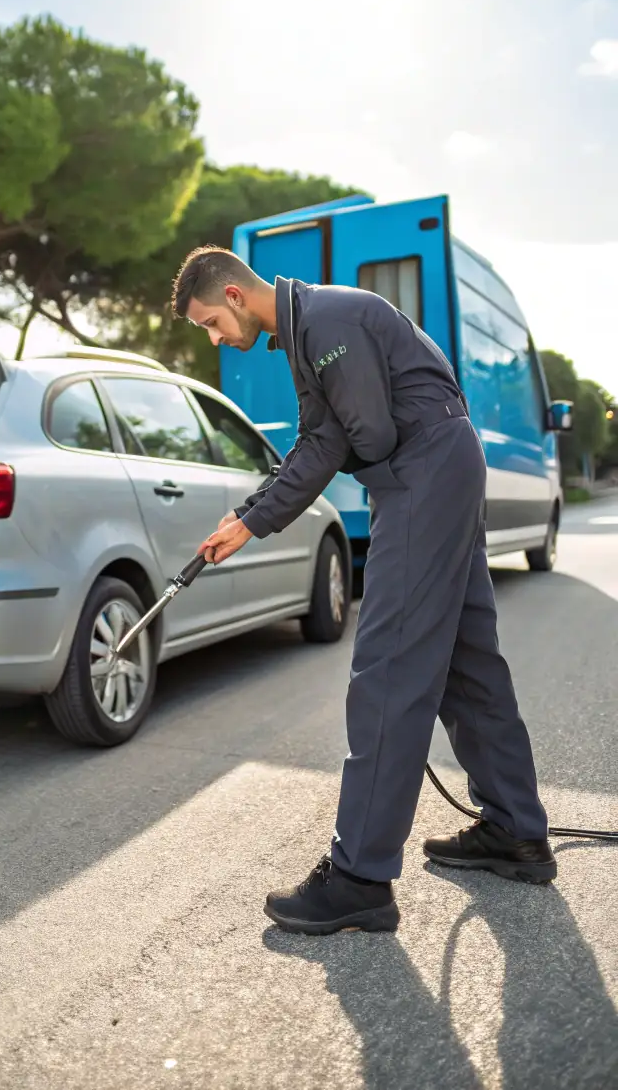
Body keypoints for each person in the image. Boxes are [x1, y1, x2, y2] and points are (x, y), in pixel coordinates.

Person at [172, 245, 555, 936]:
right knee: (466, 663)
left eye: (207, 323)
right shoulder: (309, 329)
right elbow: (323, 442)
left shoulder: (325, 322)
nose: (214, 339)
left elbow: (366, 435)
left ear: (232, 294)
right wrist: (251, 519)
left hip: (423, 473)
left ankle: (359, 877)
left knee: (389, 669)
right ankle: (515, 829)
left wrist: (271, 501)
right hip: (439, 465)